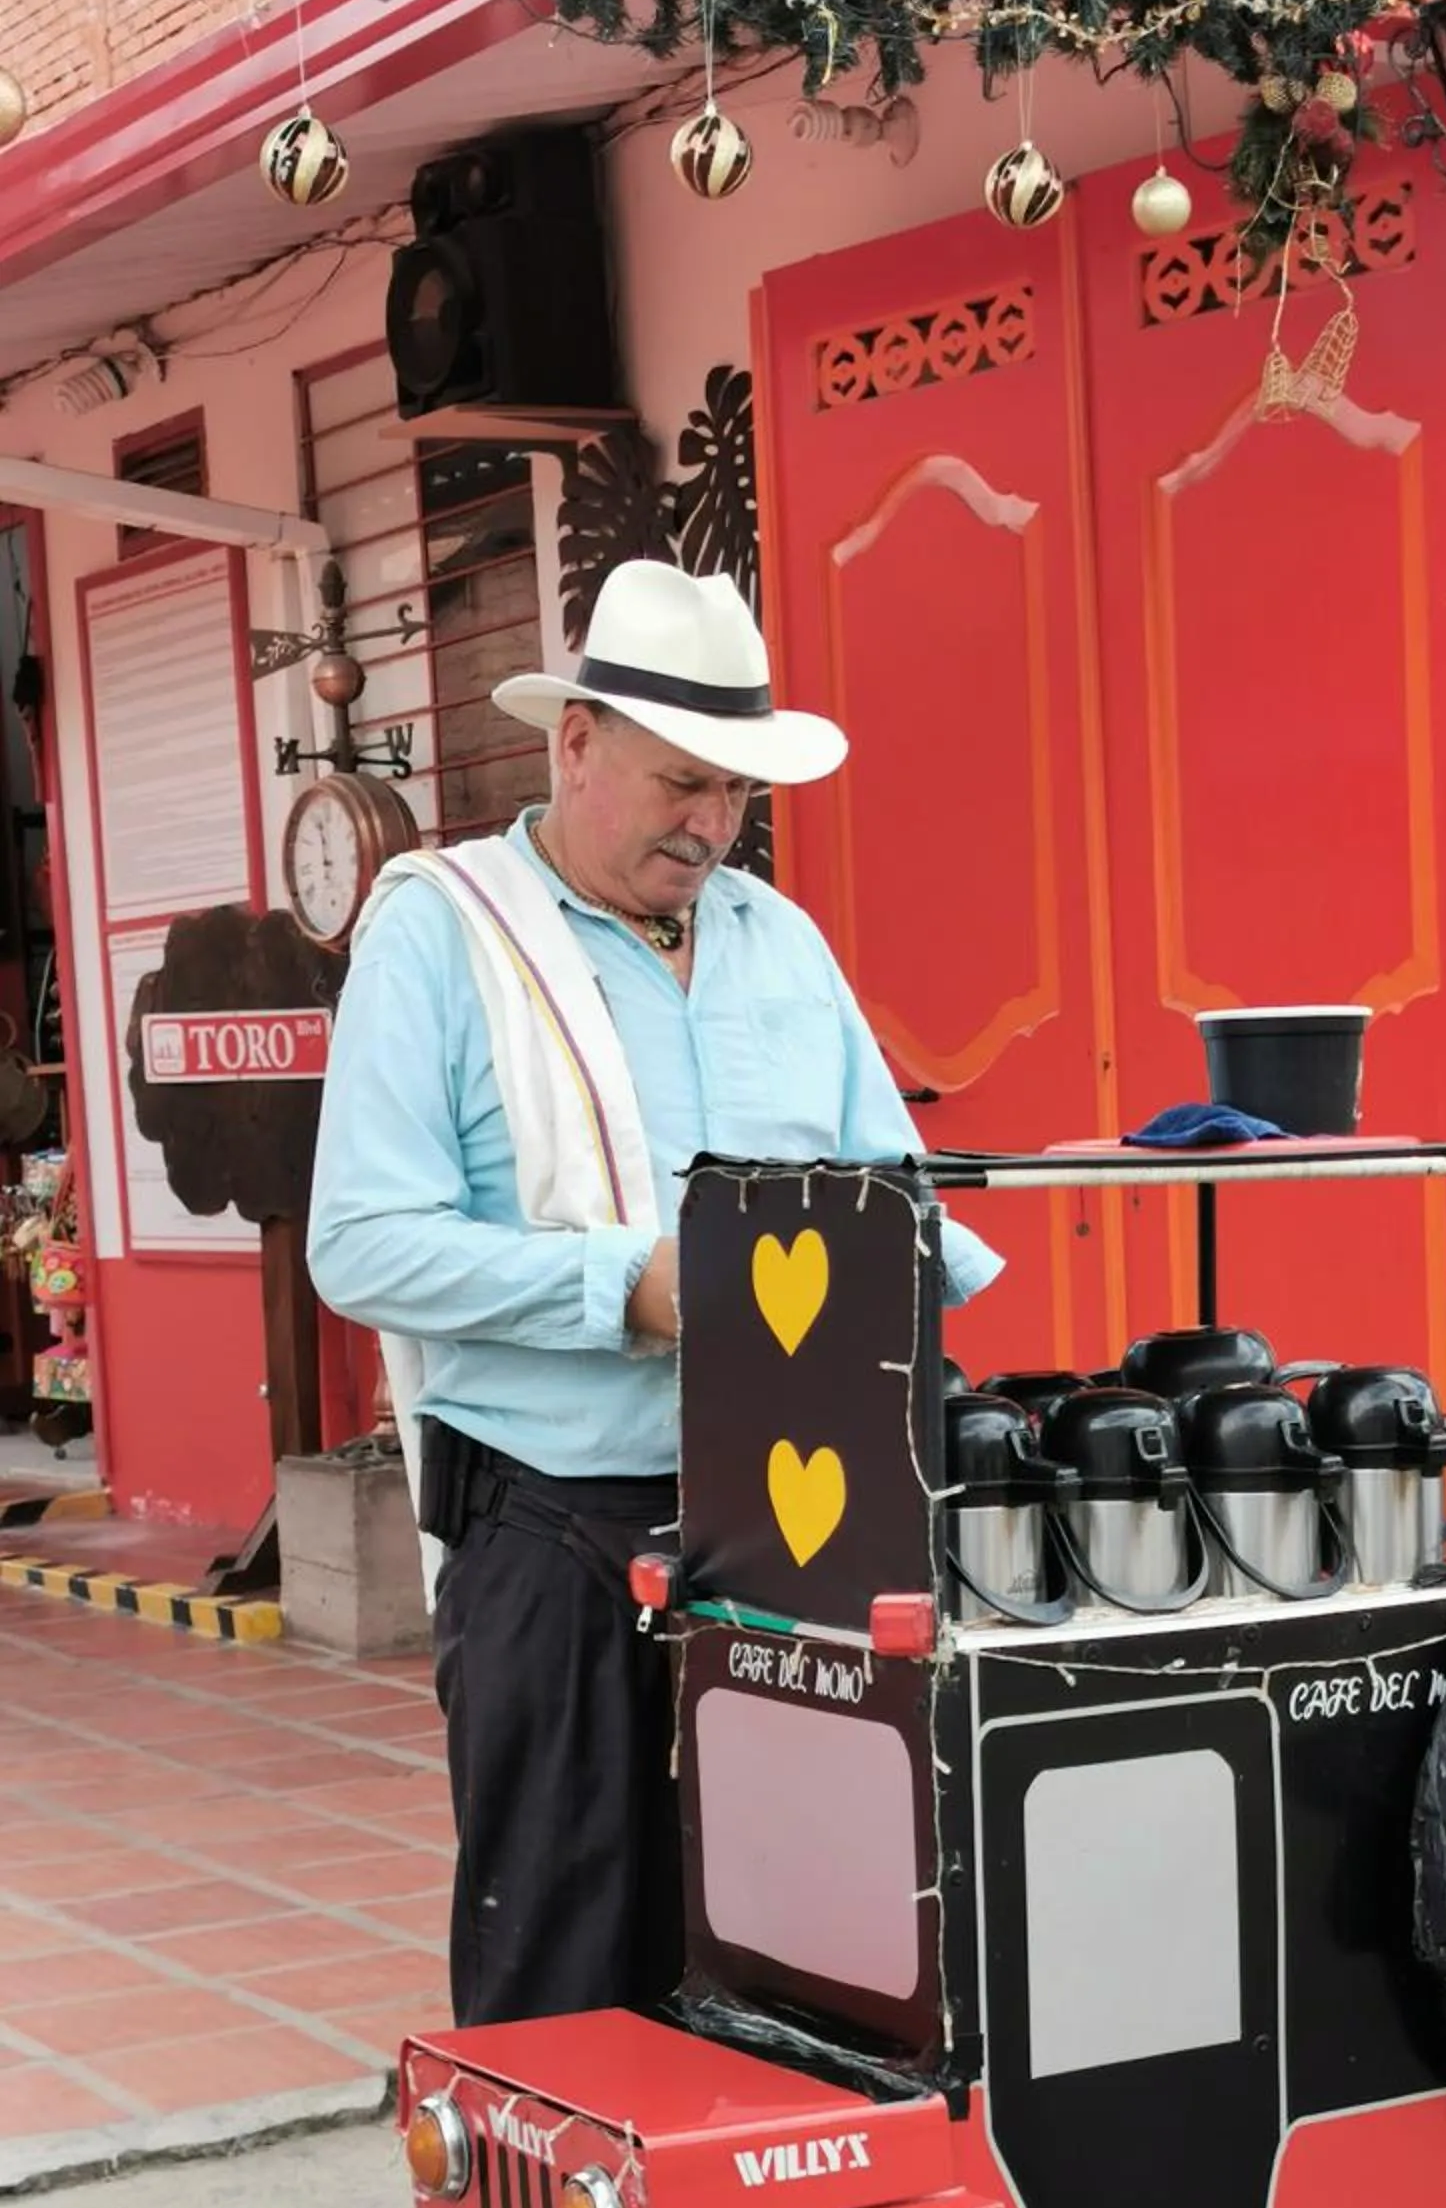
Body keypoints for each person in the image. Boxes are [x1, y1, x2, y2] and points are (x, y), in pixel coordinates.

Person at [309, 561, 997, 2025]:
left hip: (800, 1531)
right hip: (556, 1532)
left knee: (803, 1969)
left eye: (736, 791)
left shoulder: (776, 939)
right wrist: (626, 1286)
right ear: (576, 745)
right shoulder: (444, 931)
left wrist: (921, 1300)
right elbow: (360, 1243)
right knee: (569, 1969)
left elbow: (900, 1193)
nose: (711, 823)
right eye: (683, 781)